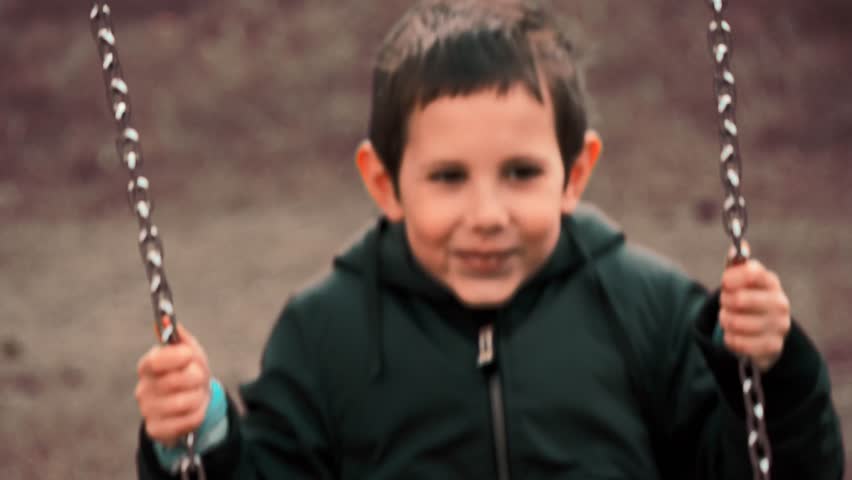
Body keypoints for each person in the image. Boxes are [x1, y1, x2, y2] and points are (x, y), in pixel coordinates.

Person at [133, 1, 845, 478]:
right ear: (384, 183)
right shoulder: (326, 335)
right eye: (447, 177)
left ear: (575, 173)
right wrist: (197, 437)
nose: (487, 213)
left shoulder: (651, 313)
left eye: (520, 173)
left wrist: (771, 375)